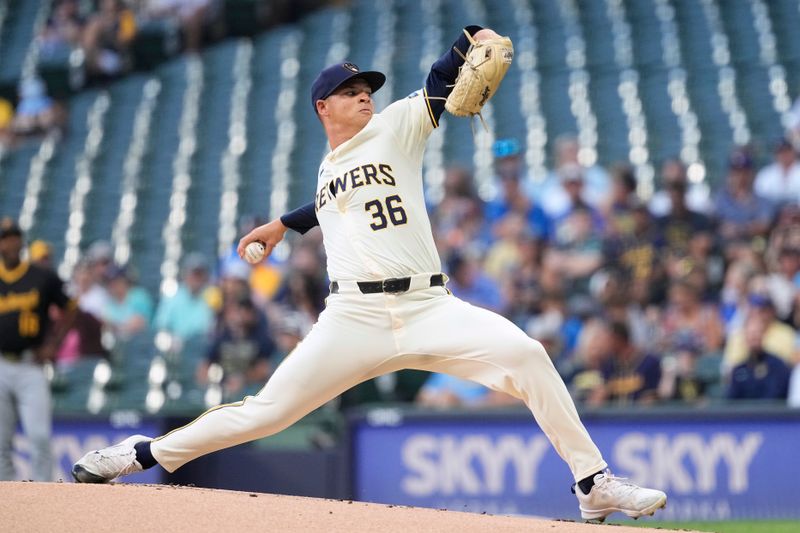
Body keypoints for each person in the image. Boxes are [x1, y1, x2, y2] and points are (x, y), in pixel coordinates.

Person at [72, 26, 666, 522]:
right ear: (321, 107)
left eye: (366, 88)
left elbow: (440, 77)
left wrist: (471, 38)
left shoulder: (398, 125)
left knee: (528, 355)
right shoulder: (329, 169)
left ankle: (592, 484)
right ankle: (141, 453)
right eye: (349, 90)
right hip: (352, 318)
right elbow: (330, 202)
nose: (364, 96)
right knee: (267, 412)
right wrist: (283, 223)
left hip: (429, 308)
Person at [0, 218, 76, 481]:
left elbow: (70, 306)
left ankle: (44, 494)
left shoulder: (41, 276)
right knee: (0, 442)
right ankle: (6, 498)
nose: (10, 242)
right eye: (4, 237)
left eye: (14, 236)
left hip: (30, 364)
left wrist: (53, 344)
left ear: (21, 241)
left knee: (39, 436)